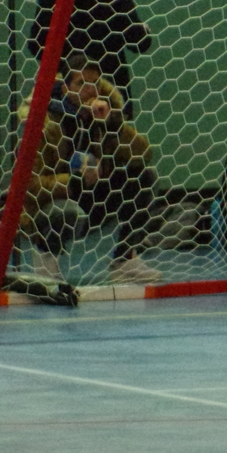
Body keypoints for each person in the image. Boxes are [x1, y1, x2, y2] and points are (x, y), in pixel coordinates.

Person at [24, 59, 165, 285]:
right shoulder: (43, 122)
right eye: (81, 83)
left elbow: (144, 154)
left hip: (94, 201)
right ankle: (45, 256)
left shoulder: (102, 116)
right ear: (65, 89)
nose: (90, 90)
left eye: (95, 83)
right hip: (55, 205)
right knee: (65, 212)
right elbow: (29, 185)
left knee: (145, 177)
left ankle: (124, 259)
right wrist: (74, 181)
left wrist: (113, 125)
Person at [25, 0, 153, 112]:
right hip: (110, 91)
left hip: (66, 94)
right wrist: (144, 30)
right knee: (111, 130)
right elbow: (139, 42)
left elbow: (37, 46)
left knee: (63, 130)